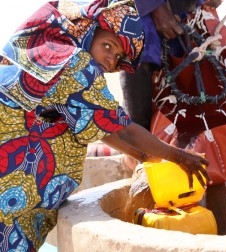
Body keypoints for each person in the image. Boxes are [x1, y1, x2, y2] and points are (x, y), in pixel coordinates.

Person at [0, 0, 211, 250]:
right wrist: (179, 157)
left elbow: (102, 126)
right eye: (107, 46)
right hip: (12, 185)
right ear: (88, 32)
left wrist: (144, 157)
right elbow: (123, 129)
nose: (111, 58)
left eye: (118, 56)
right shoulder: (76, 65)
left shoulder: (52, 52)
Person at [119, 0, 222, 168]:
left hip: (185, 11)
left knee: (190, 69)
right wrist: (157, 8)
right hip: (151, 9)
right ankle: (141, 159)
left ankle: (169, 158)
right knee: (140, 53)